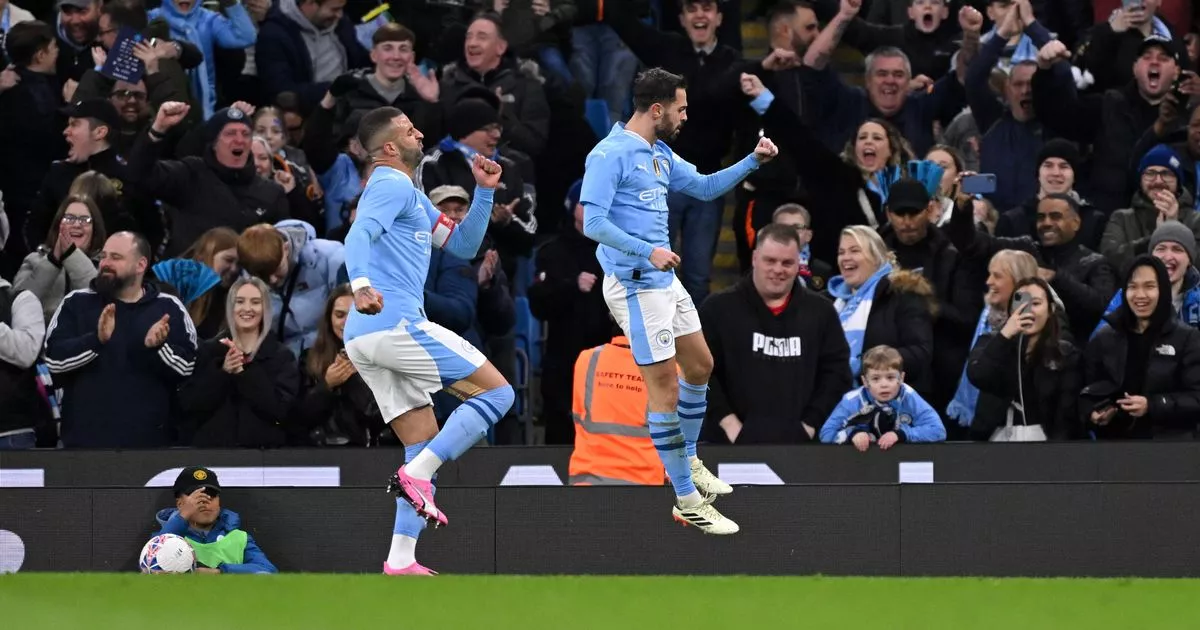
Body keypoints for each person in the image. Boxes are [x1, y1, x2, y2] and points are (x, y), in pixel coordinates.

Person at [580, 67, 777, 534]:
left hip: (663, 279)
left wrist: (752, 160)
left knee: (701, 366)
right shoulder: (609, 155)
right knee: (664, 387)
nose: (685, 116)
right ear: (656, 109)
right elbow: (592, 223)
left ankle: (688, 462)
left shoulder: (659, 152)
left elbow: (706, 187)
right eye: (681, 108)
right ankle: (685, 498)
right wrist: (647, 250)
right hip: (634, 282)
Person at [343, 106, 514, 575]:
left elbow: (461, 246)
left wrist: (483, 192)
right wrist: (359, 284)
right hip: (392, 324)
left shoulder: (411, 196)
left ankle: (400, 559)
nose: (420, 131)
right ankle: (414, 477)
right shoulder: (389, 183)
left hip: (366, 340)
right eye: (408, 129)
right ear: (391, 148)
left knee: (421, 442)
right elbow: (358, 233)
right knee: (498, 392)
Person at [43, 232, 197, 448]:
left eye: (116, 257)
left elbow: (187, 368)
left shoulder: (168, 307)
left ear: (140, 264)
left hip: (152, 448)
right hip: (83, 448)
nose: (105, 263)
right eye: (103, 256)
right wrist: (96, 341)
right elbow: (54, 363)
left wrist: (159, 348)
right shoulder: (76, 303)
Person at [700, 223, 850, 444]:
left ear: (798, 264)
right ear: (754, 259)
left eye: (787, 263)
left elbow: (837, 374)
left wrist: (810, 424)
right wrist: (730, 425)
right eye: (770, 260)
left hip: (804, 449)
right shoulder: (717, 308)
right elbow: (699, 372)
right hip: (726, 446)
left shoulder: (822, 312)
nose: (778, 269)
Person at [1083, 255, 1200, 439]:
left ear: (1163, 290)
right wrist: (1094, 412)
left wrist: (1151, 405)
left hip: (1171, 450)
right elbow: (1086, 392)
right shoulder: (1104, 337)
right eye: (1132, 287)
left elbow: (1196, 398)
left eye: (1149, 286)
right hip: (1115, 450)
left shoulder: (1187, 338)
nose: (1140, 295)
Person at [177, 277, 299, 447]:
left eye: (255, 302)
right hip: (214, 455)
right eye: (240, 302)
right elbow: (191, 404)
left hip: (263, 459)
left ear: (265, 309)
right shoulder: (209, 351)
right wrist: (223, 372)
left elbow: (279, 412)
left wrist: (244, 373)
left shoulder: (281, 357)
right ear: (230, 307)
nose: (247, 308)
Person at [965, 277, 1080, 440]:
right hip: (996, 438)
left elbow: (1067, 412)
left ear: (1051, 309)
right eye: (1021, 303)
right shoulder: (990, 341)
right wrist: (1004, 336)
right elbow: (978, 375)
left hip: (1046, 441)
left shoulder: (1065, 352)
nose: (1028, 310)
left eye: (1036, 303)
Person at [154, 466, 277, 574]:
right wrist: (183, 516)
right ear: (180, 504)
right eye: (195, 495)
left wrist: (219, 572)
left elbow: (267, 571)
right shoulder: (164, 539)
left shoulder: (239, 538)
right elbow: (153, 563)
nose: (205, 500)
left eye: (211, 494)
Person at [819, 345, 946, 449]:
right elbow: (826, 433)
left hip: (900, 458)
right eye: (875, 378)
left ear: (901, 378)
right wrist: (852, 434)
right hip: (862, 462)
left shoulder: (910, 397)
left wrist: (902, 434)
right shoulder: (851, 401)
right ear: (865, 381)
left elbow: (938, 431)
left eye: (890, 377)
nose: (884, 385)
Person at [1096, 221, 1200, 334]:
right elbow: (1100, 342)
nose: (1168, 256)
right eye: (1161, 249)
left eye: (1177, 249)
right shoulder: (1129, 294)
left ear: (1189, 260)